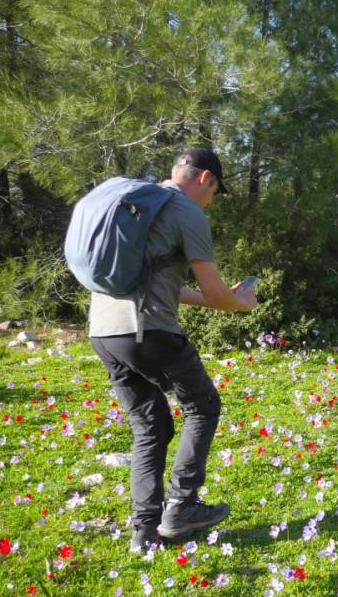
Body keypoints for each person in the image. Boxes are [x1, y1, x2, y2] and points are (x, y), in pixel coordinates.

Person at [88, 148, 257, 553]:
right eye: (215, 193)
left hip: (104, 331)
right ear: (205, 180)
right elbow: (218, 293)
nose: (211, 202)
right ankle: (181, 507)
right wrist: (241, 303)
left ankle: (144, 533)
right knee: (203, 406)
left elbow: (159, 283)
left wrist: (212, 298)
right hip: (150, 331)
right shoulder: (186, 211)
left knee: (150, 426)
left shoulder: (137, 206)